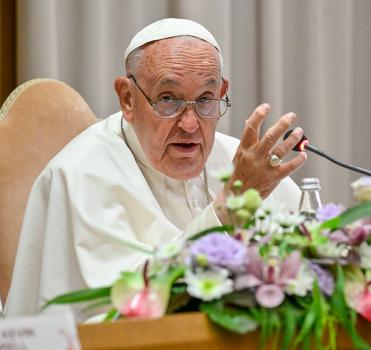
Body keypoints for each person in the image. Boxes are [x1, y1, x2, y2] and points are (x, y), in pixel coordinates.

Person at [5, 19, 306, 316]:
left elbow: (314, 265)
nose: (189, 124)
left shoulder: (241, 161)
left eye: (204, 99)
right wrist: (229, 208)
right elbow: (119, 310)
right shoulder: (80, 174)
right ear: (127, 99)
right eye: (167, 99)